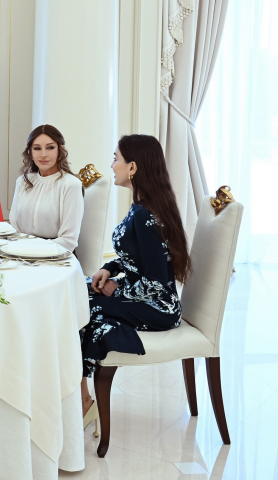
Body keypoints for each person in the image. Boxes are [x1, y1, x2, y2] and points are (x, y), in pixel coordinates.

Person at [80, 134, 190, 420]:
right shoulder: (144, 207)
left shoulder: (145, 214)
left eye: (116, 158)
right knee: (77, 293)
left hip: (158, 309)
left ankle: (81, 399)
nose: (112, 164)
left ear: (133, 167)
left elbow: (154, 281)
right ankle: (77, 392)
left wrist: (115, 291)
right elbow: (140, 257)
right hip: (145, 298)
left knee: (80, 306)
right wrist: (110, 269)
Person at [8, 125, 84, 252]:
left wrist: (30, 250)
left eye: (50, 148)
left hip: (57, 256)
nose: (43, 154)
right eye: (37, 148)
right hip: (22, 253)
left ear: (61, 150)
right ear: (30, 153)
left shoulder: (71, 184)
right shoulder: (23, 181)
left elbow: (68, 240)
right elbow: (14, 229)